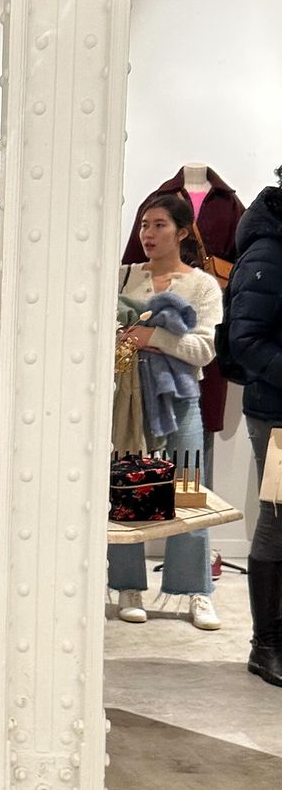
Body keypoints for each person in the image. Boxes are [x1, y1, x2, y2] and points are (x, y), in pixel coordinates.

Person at [108, 193, 223, 630]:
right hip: (127, 400)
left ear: (182, 231)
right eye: (144, 225)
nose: (148, 234)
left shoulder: (202, 285)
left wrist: (151, 338)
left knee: (189, 493)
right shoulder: (123, 276)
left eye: (159, 225)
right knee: (126, 491)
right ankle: (127, 585)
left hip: (181, 399)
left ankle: (196, 590)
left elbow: (203, 350)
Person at [222, 168, 282, 686]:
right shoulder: (267, 252)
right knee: (279, 518)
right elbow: (246, 341)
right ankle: (267, 645)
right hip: (277, 412)